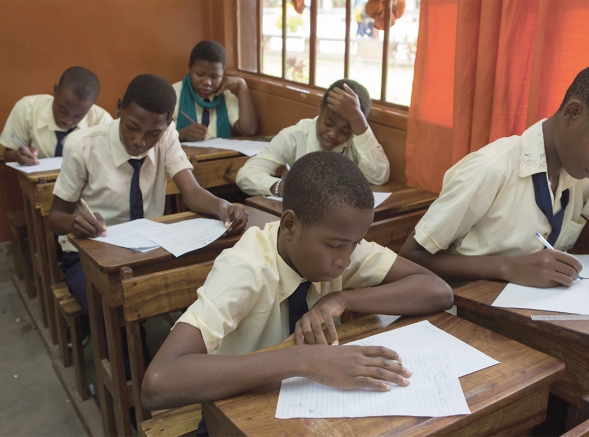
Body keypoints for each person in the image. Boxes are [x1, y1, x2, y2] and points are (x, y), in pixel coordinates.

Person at [141, 151, 453, 434]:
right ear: (290, 224)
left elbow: (438, 291)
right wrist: (304, 360)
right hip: (234, 415)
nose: (345, 260)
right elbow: (158, 382)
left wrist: (342, 298)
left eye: (355, 245)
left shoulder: (341, 242)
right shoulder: (246, 268)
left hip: (309, 410)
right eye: (334, 246)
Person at [400, 60, 589, 289]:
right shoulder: (491, 169)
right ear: (573, 112)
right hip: (468, 316)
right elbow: (410, 256)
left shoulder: (588, 174)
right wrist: (508, 267)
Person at [47, 73, 248, 327]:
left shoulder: (167, 135)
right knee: (115, 318)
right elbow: (55, 219)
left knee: (205, 294)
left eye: (153, 134)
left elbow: (192, 192)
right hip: (88, 255)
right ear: (119, 108)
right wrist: (76, 222)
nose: (140, 141)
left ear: (167, 124)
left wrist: (223, 206)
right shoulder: (83, 145)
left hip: (147, 249)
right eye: (131, 127)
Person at [236, 79, 390, 197]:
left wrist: (359, 124)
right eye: (328, 123)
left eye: (345, 130)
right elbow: (246, 174)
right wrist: (283, 187)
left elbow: (379, 177)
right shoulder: (295, 135)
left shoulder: (359, 140)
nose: (333, 134)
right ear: (320, 107)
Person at [0, 66, 112, 165]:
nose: (67, 121)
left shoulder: (102, 121)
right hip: (38, 186)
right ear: (55, 90)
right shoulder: (26, 109)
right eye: (62, 110)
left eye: (78, 116)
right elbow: (8, 155)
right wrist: (19, 156)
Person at [173, 40, 257, 142]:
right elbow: (158, 137)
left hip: (217, 156)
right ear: (190, 68)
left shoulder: (225, 97)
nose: (207, 82)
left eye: (214, 77)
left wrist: (242, 85)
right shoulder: (174, 94)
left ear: (222, 75)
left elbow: (248, 130)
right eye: (200, 74)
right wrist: (182, 134)